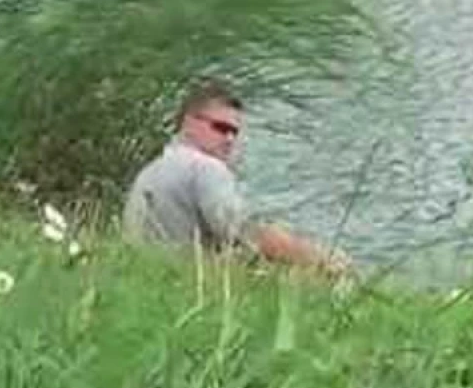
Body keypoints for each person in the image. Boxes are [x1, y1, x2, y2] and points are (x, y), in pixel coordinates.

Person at [122, 79, 352, 277]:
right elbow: (247, 234)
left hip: (146, 276)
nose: (230, 139)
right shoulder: (205, 167)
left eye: (235, 132)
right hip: (187, 283)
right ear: (189, 122)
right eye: (220, 128)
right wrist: (321, 259)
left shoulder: (150, 171)